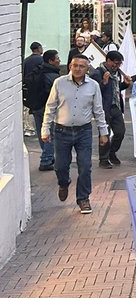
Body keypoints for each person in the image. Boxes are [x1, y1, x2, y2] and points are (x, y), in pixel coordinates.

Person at [41, 54, 109, 214]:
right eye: (75, 65)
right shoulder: (59, 83)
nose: (77, 69)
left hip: (83, 131)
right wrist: (45, 129)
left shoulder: (93, 86)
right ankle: (63, 183)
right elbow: (50, 107)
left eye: (81, 66)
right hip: (61, 131)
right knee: (60, 166)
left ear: (87, 69)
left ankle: (83, 198)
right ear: (70, 66)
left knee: (85, 166)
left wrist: (103, 132)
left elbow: (98, 110)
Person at [91, 50, 131, 168]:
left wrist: (126, 84)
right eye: (115, 63)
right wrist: (104, 82)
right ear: (108, 61)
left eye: (119, 64)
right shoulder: (98, 72)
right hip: (104, 108)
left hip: (116, 107)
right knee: (104, 134)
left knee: (120, 132)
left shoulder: (116, 73)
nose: (117, 66)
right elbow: (93, 91)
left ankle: (112, 152)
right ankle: (103, 159)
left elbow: (116, 88)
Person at [27, 50, 61, 170]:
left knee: (43, 133)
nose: (59, 60)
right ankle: (46, 160)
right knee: (49, 134)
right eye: (57, 58)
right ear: (51, 61)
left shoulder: (38, 71)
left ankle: (48, 157)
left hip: (36, 107)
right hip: (47, 108)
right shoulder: (53, 76)